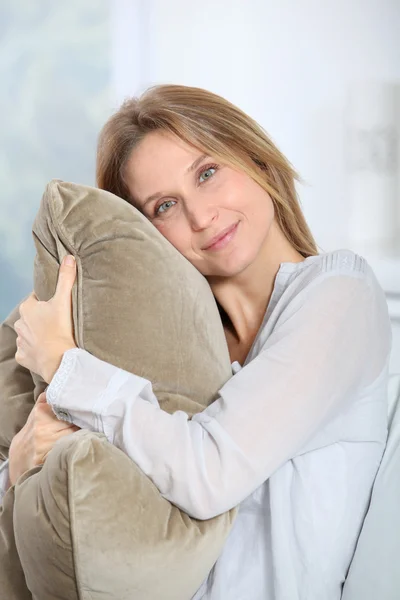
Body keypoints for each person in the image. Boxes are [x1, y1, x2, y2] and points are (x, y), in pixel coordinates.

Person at [0, 84, 392, 599]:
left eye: (207, 173)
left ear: (255, 159)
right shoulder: (173, 347)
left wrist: (66, 364)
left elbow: (209, 475)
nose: (201, 217)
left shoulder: (338, 293)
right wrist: (21, 461)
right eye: (165, 206)